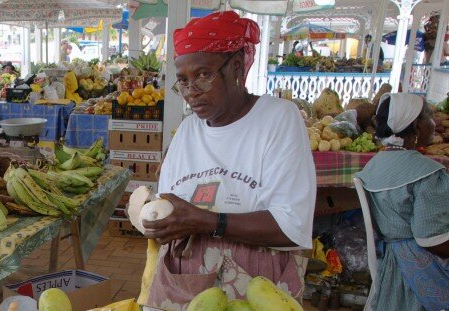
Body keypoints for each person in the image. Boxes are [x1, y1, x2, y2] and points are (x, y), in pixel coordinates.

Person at [139, 11, 316, 309]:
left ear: (235, 67)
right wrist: (155, 217)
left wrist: (208, 221)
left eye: (203, 76)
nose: (191, 92)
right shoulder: (187, 131)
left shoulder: (278, 119)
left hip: (255, 281)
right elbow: (171, 207)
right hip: (184, 279)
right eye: (182, 81)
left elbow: (291, 227)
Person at [356, 93, 448, 311]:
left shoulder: (374, 165)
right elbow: (432, 239)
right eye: (430, 117)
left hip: (391, 265)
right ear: (417, 126)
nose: (434, 124)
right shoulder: (426, 173)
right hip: (420, 271)